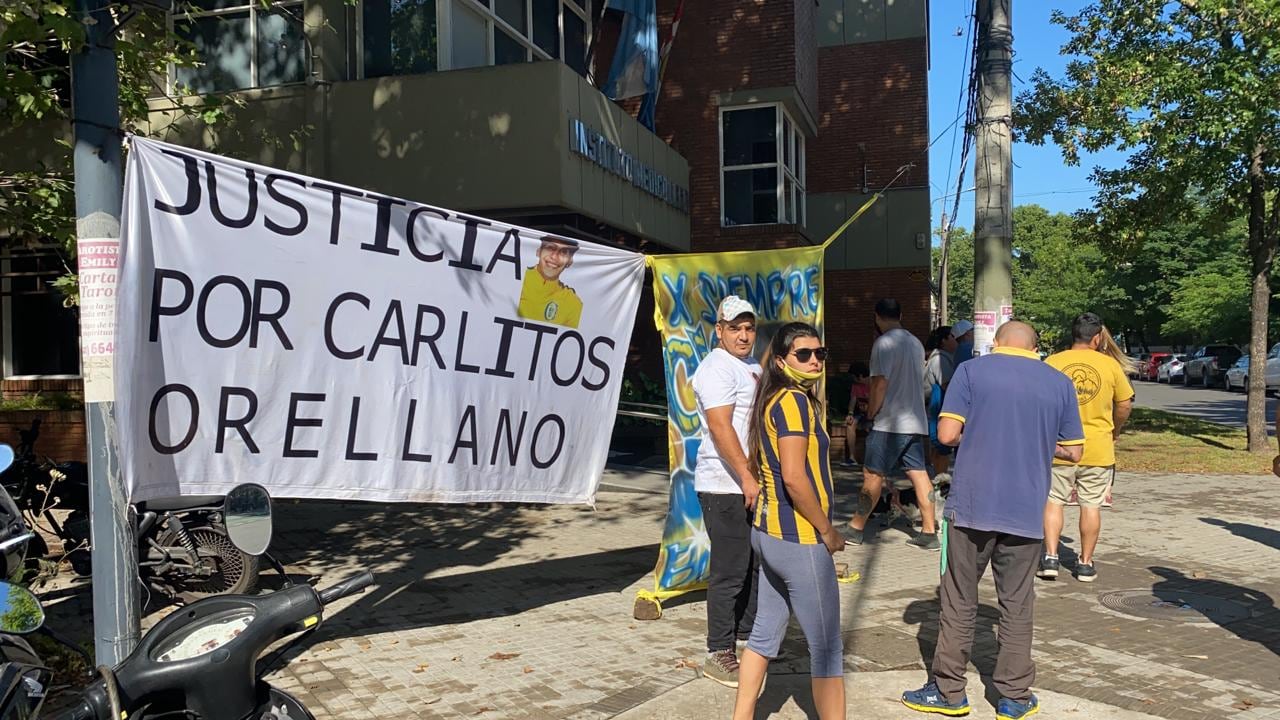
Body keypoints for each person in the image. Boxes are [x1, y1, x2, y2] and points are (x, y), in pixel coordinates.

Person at [901, 321, 1084, 720]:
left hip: (971, 506)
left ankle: (949, 692)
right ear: (1035, 347)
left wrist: (983, 432)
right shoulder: (1059, 382)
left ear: (996, 343)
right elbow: (1074, 451)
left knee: (959, 600)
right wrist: (1033, 438)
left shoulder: (971, 371)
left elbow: (947, 434)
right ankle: (1015, 698)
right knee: (1018, 604)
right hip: (1026, 510)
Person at [734, 322, 845, 720]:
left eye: (820, 353)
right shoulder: (793, 402)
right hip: (798, 539)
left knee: (764, 635)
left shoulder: (776, 398)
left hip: (769, 536)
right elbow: (795, 479)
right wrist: (828, 531)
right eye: (804, 354)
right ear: (781, 361)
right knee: (828, 650)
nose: (815, 360)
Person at [690, 295, 763, 688]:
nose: (744, 334)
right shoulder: (716, 368)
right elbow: (721, 428)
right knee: (729, 571)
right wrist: (746, 476)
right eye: (735, 327)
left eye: (749, 327)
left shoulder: (749, 364)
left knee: (753, 564)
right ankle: (718, 651)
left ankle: (747, 637)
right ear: (719, 330)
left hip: (747, 483)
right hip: (724, 484)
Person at [1040, 313, 1135, 583]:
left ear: (1073, 335)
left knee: (1053, 500)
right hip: (1098, 446)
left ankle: (1050, 557)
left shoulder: (1053, 363)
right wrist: (1115, 430)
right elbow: (1125, 404)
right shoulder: (1109, 365)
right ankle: (1085, 563)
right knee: (1091, 504)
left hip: (1058, 445)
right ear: (1097, 338)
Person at [843, 298, 939, 550]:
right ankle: (929, 531)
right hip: (915, 421)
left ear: (877, 316)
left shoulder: (883, 344)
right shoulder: (915, 343)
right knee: (918, 473)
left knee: (872, 473)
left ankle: (855, 527)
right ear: (901, 314)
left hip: (890, 423)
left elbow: (879, 383)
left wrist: (872, 412)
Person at [517, 236, 583, 328]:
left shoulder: (573, 303)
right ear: (539, 252)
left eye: (564, 252)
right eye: (550, 248)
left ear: (570, 261)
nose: (554, 257)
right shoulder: (517, 279)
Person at [923, 326, 958, 477]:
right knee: (941, 448)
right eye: (952, 337)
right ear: (944, 340)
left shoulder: (942, 357)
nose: (956, 341)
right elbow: (947, 384)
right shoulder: (939, 359)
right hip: (937, 406)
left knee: (939, 449)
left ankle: (938, 478)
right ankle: (940, 480)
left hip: (934, 406)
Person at [842, 361, 871, 467]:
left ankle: (872, 458)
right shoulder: (856, 386)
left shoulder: (873, 383)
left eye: (853, 377)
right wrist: (850, 413)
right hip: (863, 414)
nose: (852, 379)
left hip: (876, 413)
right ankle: (852, 457)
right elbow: (853, 400)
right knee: (850, 424)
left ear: (860, 376)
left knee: (872, 427)